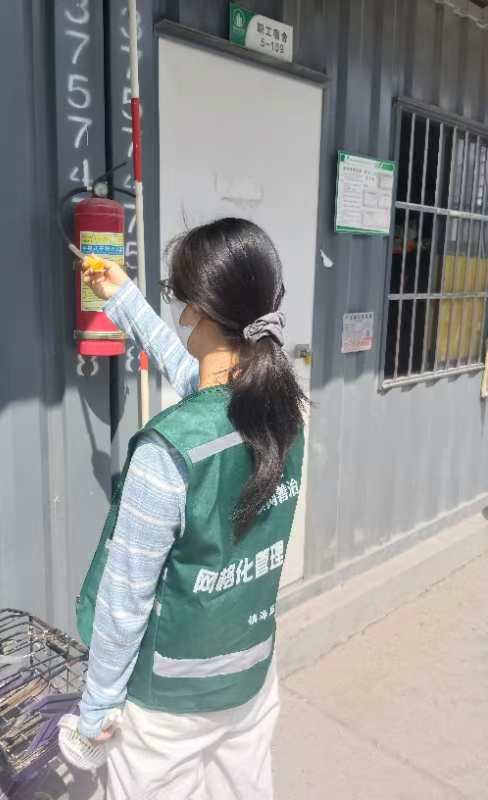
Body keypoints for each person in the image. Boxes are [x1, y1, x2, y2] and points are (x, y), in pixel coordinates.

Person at [69, 217, 306, 799]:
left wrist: (97, 706)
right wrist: (122, 297)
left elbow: (126, 600)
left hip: (166, 707)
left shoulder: (168, 451)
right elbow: (197, 377)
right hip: (249, 679)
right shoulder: (285, 412)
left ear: (194, 311)